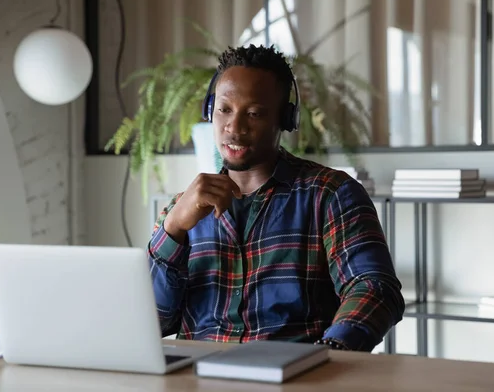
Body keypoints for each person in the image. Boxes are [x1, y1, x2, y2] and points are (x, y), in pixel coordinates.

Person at [148, 44, 404, 352]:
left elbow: (374, 288)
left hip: (296, 376)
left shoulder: (331, 194)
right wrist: (173, 229)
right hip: (198, 376)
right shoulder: (180, 210)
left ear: (285, 119)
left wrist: (334, 351)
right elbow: (154, 322)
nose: (234, 127)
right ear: (210, 111)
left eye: (254, 113)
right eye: (224, 110)